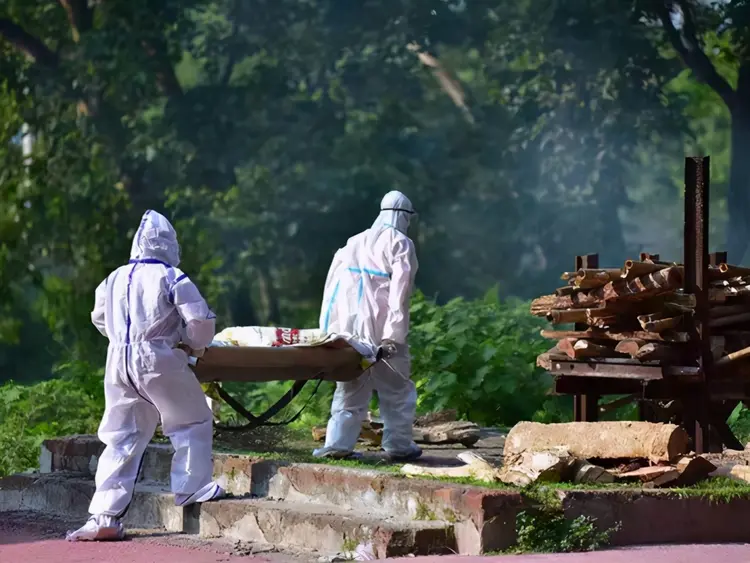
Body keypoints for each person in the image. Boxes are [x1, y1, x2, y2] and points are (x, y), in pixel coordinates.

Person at [67, 210, 225, 542]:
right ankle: (191, 487)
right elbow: (199, 324)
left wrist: (122, 338)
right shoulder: (172, 276)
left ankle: (104, 516)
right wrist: (189, 345)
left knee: (121, 438)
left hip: (118, 360)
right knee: (192, 420)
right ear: (168, 244)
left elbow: (98, 317)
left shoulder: (112, 278)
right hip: (158, 358)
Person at [313, 190, 421, 461]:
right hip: (383, 332)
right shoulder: (400, 243)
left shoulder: (354, 242)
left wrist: (331, 330)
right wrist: (394, 335)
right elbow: (400, 293)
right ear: (403, 216)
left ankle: (337, 444)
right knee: (396, 389)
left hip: (351, 330)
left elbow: (333, 289)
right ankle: (398, 445)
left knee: (351, 387)